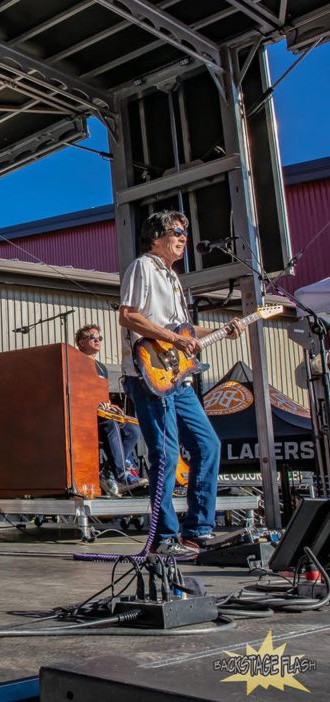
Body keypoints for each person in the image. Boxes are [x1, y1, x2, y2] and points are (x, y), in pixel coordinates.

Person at [118, 210, 242, 557]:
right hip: (149, 376)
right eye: (176, 231)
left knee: (208, 445)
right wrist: (174, 339)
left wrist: (225, 328)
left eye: (184, 232)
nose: (183, 237)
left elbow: (184, 332)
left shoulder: (173, 277)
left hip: (178, 377)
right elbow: (127, 316)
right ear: (156, 237)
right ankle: (163, 537)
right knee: (166, 454)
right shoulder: (143, 266)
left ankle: (197, 531)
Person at [74, 323, 145, 497]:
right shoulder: (75, 363)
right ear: (81, 342)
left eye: (99, 337)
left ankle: (107, 472)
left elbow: (101, 394)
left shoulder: (102, 368)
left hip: (101, 413)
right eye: (92, 337)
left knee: (132, 430)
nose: (97, 340)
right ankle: (121, 476)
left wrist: (111, 406)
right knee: (110, 424)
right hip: (84, 417)